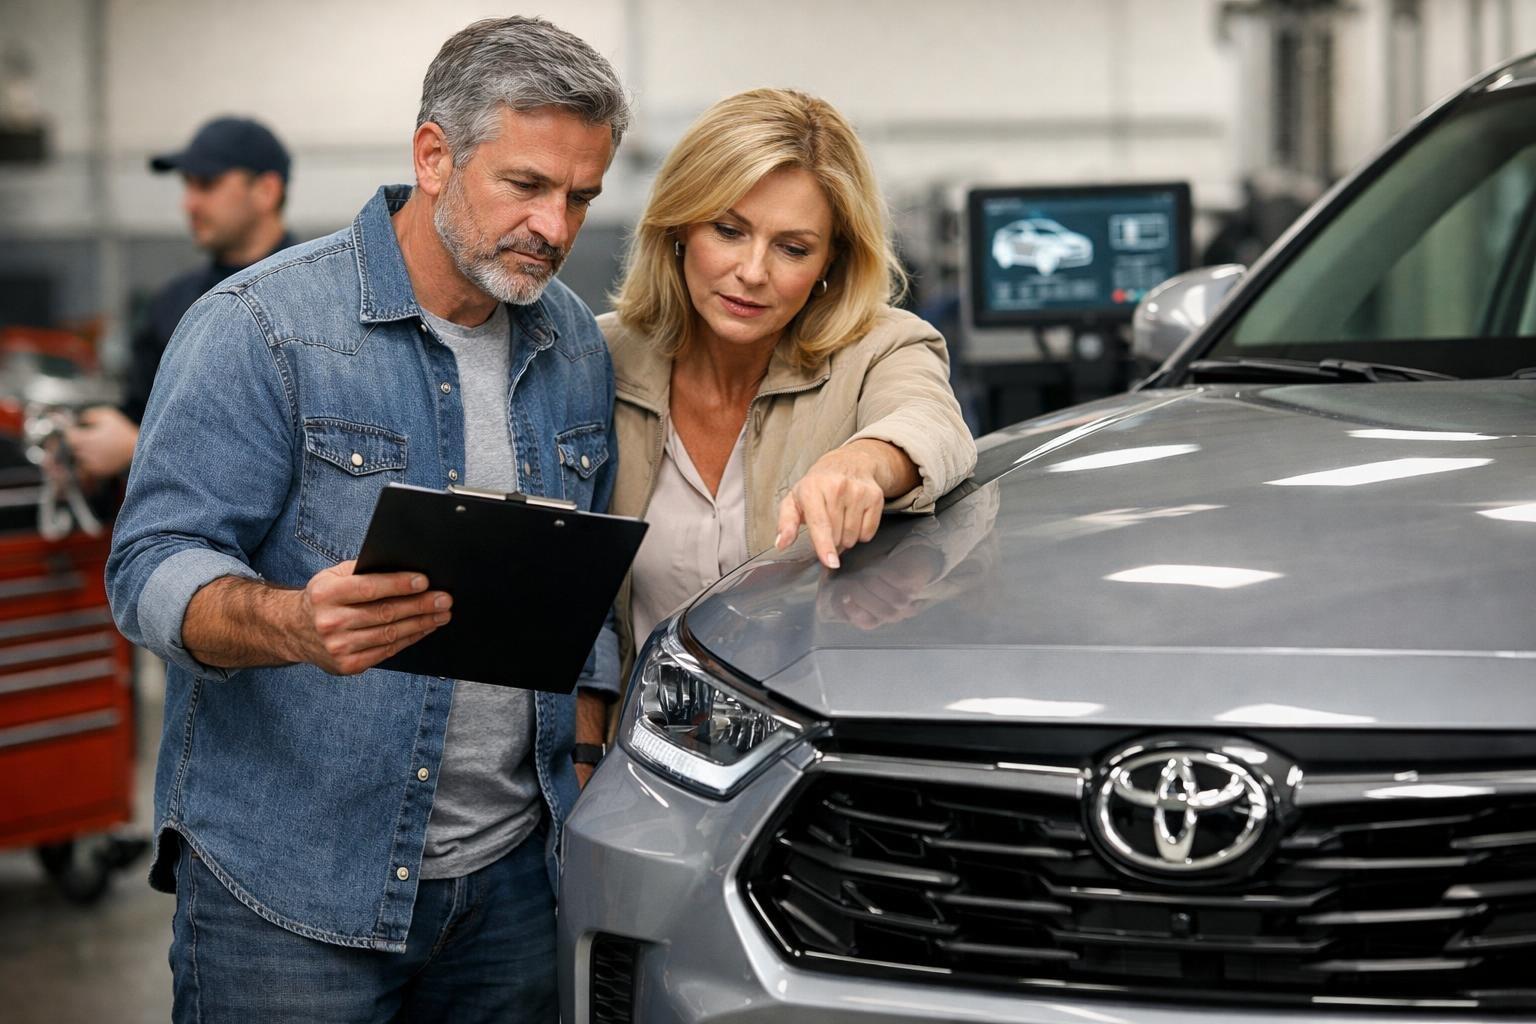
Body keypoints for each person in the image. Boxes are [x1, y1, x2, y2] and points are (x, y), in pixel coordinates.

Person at [104, 17, 628, 1022]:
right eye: (526, 185)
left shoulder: (571, 344)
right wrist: (291, 622)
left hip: (515, 886)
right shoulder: (263, 328)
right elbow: (150, 567)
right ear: (434, 156)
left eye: (581, 197)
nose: (555, 228)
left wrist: (586, 754)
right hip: (291, 893)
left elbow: (585, 590)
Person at [602, 88, 977, 658]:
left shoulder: (883, 346)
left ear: (831, 260)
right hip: (639, 715)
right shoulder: (599, 355)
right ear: (678, 226)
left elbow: (934, 423)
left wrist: (861, 463)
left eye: (793, 249)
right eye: (728, 231)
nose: (753, 272)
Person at [67, 116, 295, 479]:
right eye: (187, 185)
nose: (188, 204)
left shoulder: (316, 301)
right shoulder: (172, 304)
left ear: (266, 191)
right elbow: (141, 412)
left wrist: (141, 448)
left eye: (207, 184)